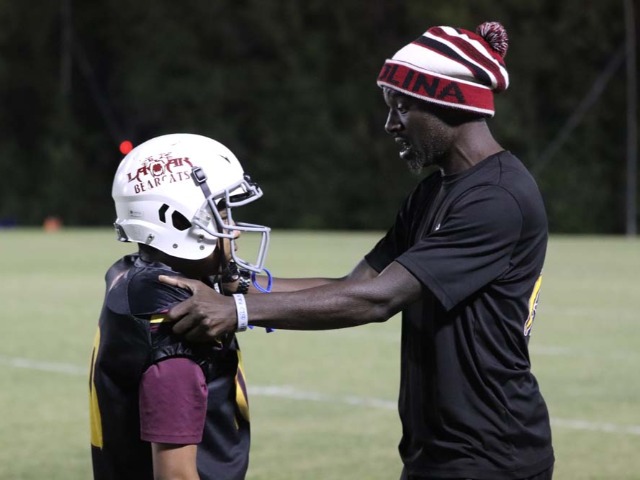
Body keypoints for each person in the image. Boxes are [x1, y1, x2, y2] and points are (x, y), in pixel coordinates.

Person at [160, 22, 554, 480]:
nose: (391, 124)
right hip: (442, 452)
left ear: (449, 102)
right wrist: (239, 285)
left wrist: (237, 312)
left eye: (401, 107)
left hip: (494, 456)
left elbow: (378, 300)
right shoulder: (435, 191)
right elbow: (358, 283)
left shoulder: (497, 199)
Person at [88, 133, 270, 480]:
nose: (235, 231)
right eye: (221, 213)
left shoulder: (135, 276)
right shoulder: (177, 323)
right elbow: (176, 475)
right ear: (176, 219)